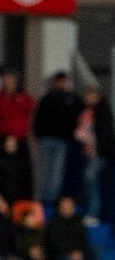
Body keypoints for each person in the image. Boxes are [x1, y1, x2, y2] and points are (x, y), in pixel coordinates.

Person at [32, 71, 81, 203]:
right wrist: (39, 135)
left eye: (63, 81)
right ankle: (42, 199)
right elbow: (38, 119)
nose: (61, 84)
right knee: (45, 171)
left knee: (57, 173)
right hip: (47, 139)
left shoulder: (72, 99)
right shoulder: (47, 98)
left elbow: (78, 117)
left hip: (62, 140)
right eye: (58, 81)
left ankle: (51, 199)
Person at [75, 87, 115, 224]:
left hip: (100, 153)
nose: (90, 98)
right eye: (88, 95)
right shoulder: (84, 112)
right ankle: (87, 209)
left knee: (90, 177)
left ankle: (93, 213)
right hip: (88, 153)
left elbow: (104, 133)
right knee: (86, 180)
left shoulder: (103, 111)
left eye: (93, 95)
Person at [0, 71, 34, 201]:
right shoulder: (2, 98)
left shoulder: (23, 97)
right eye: (6, 81)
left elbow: (29, 107)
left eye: (11, 81)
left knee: (24, 170)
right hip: (3, 139)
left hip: (20, 139)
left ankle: (26, 198)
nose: (9, 84)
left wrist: (16, 99)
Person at [44, 194, 89, 260]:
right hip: (60, 255)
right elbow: (55, 243)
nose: (68, 208)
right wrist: (70, 253)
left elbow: (84, 240)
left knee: (96, 252)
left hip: (77, 253)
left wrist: (80, 252)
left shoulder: (78, 221)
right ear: (60, 208)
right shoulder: (53, 223)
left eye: (70, 205)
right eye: (65, 206)